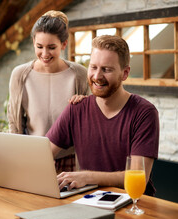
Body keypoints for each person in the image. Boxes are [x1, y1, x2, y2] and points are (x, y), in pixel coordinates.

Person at [46, 35, 159, 196]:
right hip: (90, 201)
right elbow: (43, 153)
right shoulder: (76, 109)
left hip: (135, 204)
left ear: (125, 73)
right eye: (93, 67)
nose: (97, 76)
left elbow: (139, 176)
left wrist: (88, 176)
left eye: (106, 69)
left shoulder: (144, 113)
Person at [7, 10, 89, 173]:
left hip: (70, 159)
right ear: (33, 42)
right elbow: (14, 121)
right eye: (39, 47)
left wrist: (86, 104)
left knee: (68, 199)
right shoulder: (20, 74)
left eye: (52, 47)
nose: (44, 54)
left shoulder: (79, 74)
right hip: (32, 156)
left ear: (64, 44)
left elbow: (91, 120)